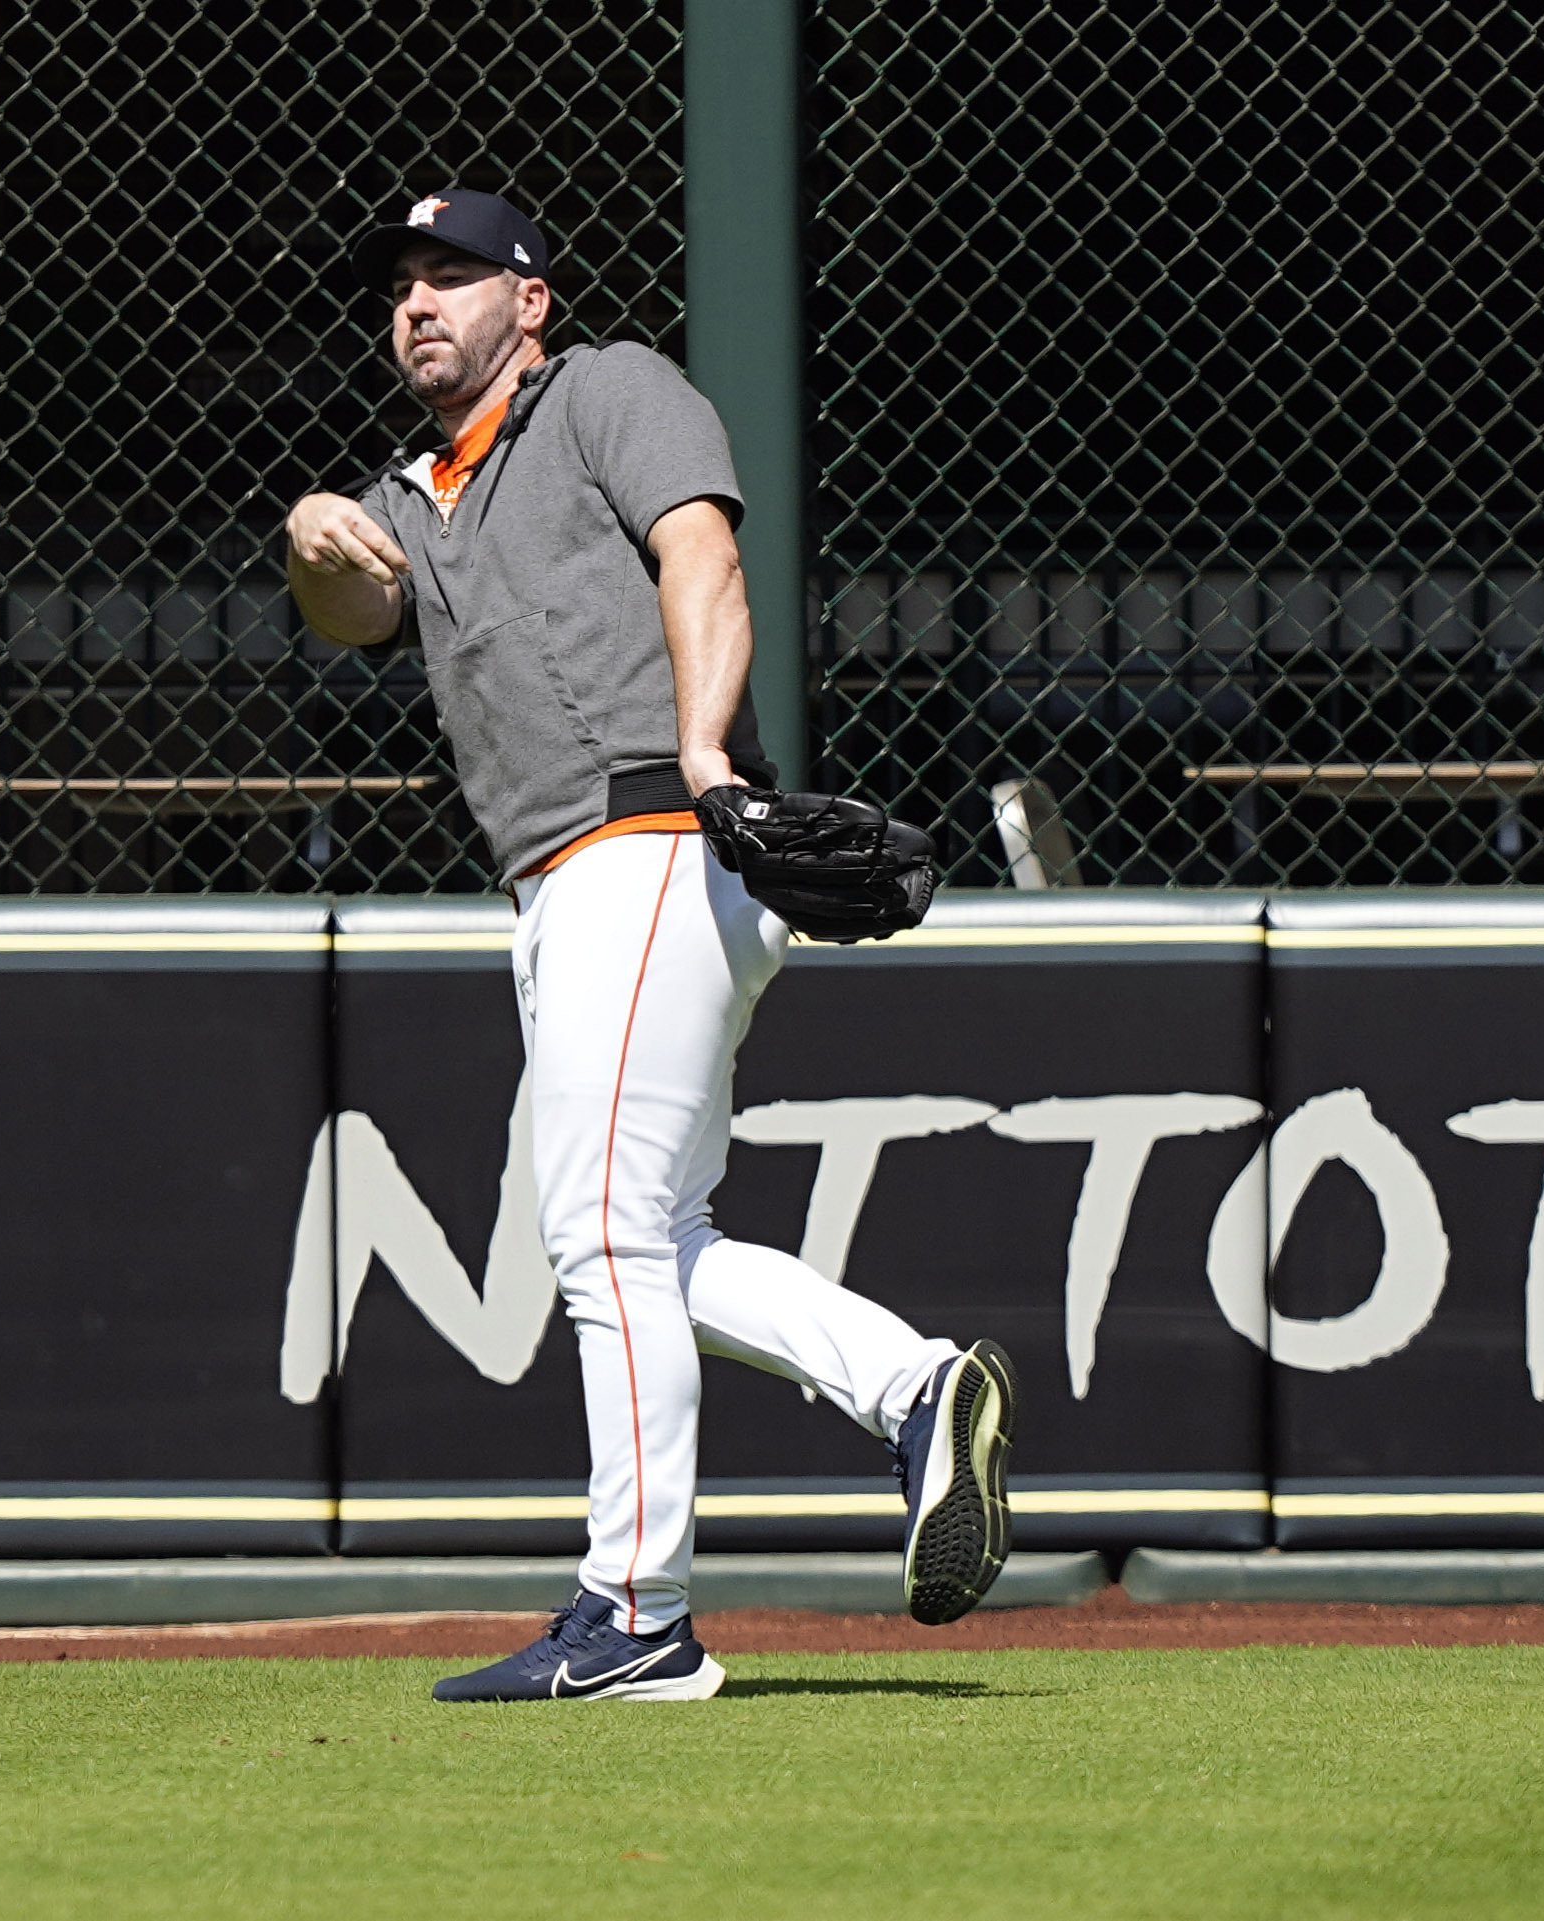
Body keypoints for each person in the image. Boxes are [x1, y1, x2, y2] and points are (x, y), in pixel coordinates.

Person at [284, 188, 1015, 1703]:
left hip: (647, 839)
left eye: (455, 276)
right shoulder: (410, 486)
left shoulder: (608, 387)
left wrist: (702, 754)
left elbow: (703, 557)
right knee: (652, 1239)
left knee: (601, 1237)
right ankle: (911, 1384)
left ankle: (634, 1612)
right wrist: (303, 535)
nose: (418, 302)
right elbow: (348, 614)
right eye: (402, 283)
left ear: (529, 301)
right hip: (559, 882)